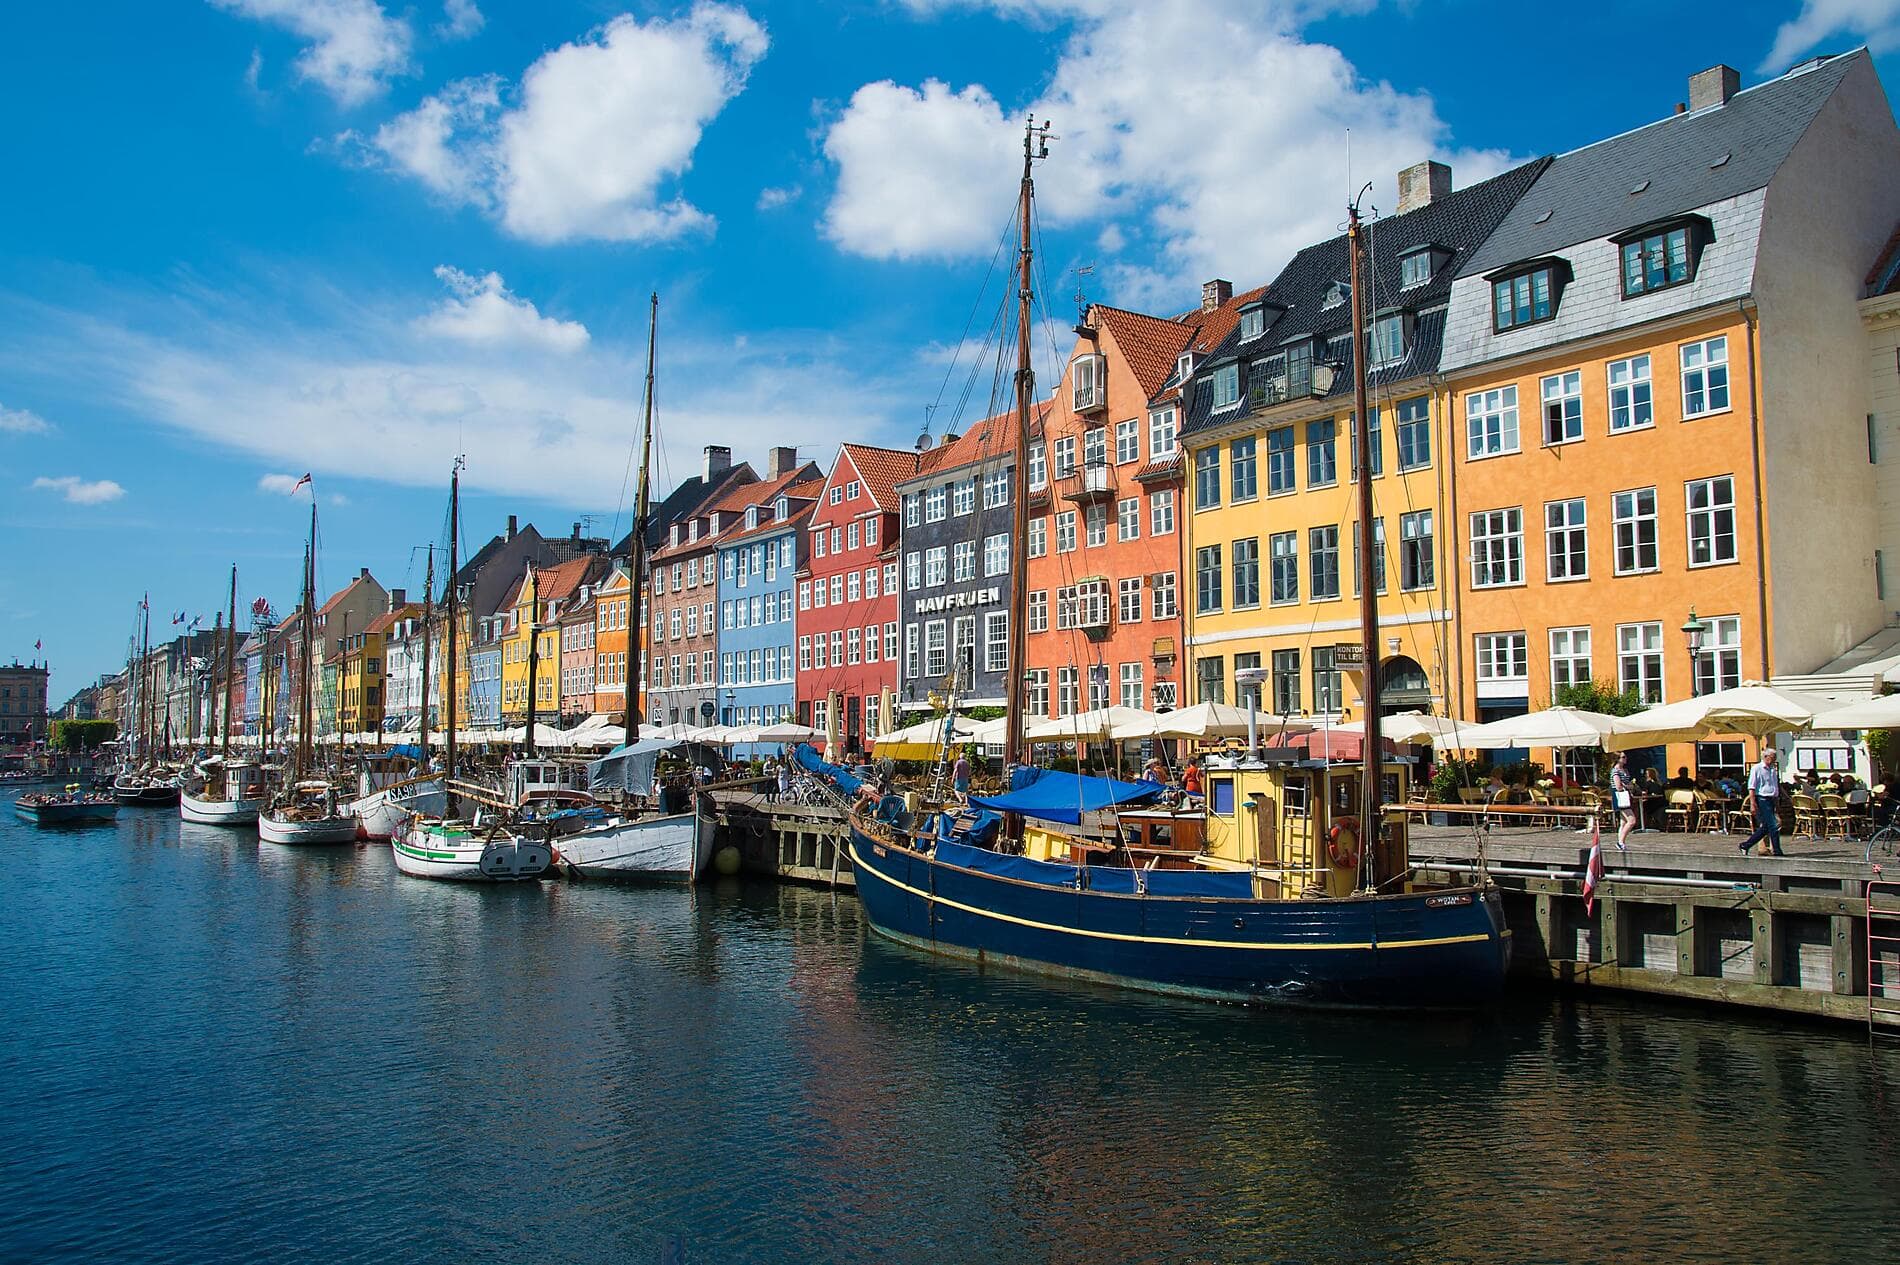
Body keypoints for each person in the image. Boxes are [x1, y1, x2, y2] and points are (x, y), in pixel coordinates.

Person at [1742, 747, 1785, 856]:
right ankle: (1777, 850)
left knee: (1766, 827)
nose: (1774, 760)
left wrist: (1777, 801)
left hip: (1772, 799)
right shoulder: (1756, 768)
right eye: (1772, 757)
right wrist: (1752, 803)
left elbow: (1775, 786)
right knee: (1773, 825)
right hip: (1762, 798)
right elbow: (1751, 787)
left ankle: (1746, 845)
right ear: (1765, 757)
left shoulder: (1772, 770)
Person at [1610, 751, 1637, 852]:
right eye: (1623, 757)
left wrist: (1628, 786)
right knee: (1631, 821)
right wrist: (1627, 786)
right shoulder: (1615, 771)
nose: (1626, 758)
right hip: (1620, 796)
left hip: (1626, 795)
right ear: (1618, 759)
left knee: (1623, 821)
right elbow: (1618, 786)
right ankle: (1620, 842)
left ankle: (1621, 843)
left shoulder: (1625, 770)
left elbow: (1629, 784)